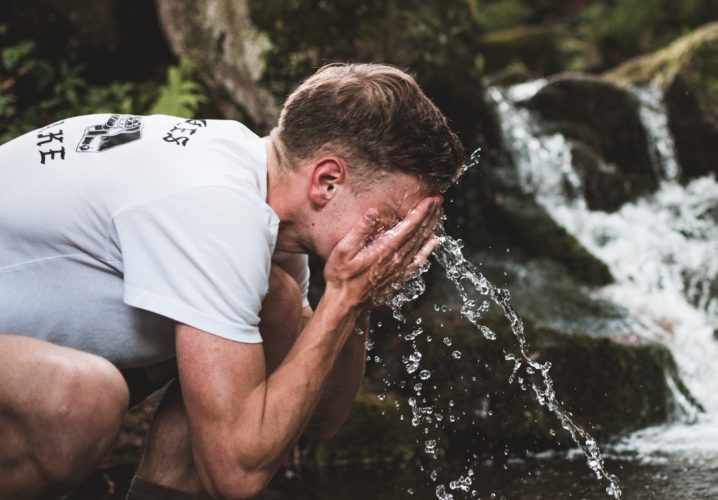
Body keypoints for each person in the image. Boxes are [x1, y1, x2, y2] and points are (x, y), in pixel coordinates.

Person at [0, 62, 465, 499]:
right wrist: (341, 299)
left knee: (276, 304)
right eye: (393, 221)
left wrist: (357, 304)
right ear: (326, 180)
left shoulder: (264, 204)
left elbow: (316, 417)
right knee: (79, 401)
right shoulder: (216, 204)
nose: (399, 242)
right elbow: (235, 475)